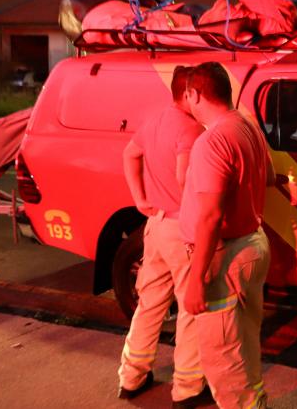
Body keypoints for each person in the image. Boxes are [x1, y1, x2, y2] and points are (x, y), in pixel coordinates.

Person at [180, 62, 274, 409]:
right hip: (252, 244)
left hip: (226, 257)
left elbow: (210, 215)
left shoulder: (212, 141)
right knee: (245, 347)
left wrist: (195, 278)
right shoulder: (245, 126)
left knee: (225, 363)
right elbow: (269, 175)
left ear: (195, 94)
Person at [117, 66, 208, 406]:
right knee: (191, 309)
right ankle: (187, 388)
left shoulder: (155, 120)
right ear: (188, 94)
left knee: (150, 303)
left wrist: (140, 198)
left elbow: (130, 154)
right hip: (183, 228)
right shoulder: (193, 130)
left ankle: (132, 376)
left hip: (154, 226)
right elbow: (186, 179)